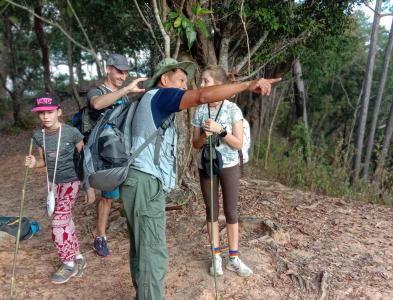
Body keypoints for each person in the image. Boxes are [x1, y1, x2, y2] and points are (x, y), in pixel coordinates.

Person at [120, 57, 280, 299]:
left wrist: (221, 131)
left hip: (137, 181)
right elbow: (203, 97)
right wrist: (248, 85)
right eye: (181, 80)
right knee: (153, 252)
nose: (186, 86)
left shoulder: (149, 100)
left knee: (142, 248)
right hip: (144, 182)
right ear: (164, 79)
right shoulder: (161, 96)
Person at [192, 65, 252, 277]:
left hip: (228, 165)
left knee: (231, 211)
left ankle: (234, 258)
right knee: (211, 211)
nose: (201, 85)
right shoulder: (200, 109)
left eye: (205, 81)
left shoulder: (232, 109)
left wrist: (221, 131)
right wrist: (204, 136)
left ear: (218, 85)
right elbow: (195, 144)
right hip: (206, 164)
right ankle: (215, 256)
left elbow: (237, 143)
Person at [86, 53, 146, 257]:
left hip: (123, 150)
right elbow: (97, 104)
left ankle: (133, 229)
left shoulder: (124, 94)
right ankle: (100, 236)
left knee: (128, 189)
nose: (123, 75)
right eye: (119, 71)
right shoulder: (97, 91)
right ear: (108, 69)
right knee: (108, 196)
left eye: (125, 72)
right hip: (105, 152)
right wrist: (126, 89)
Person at [25, 93, 86, 284]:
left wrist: (89, 187)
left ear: (58, 112)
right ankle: (77, 256)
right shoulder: (38, 136)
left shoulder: (71, 133)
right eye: (41, 113)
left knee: (58, 223)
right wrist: (34, 163)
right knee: (65, 219)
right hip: (53, 185)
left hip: (71, 182)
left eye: (50, 112)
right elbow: (44, 161)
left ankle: (68, 264)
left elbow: (85, 160)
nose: (46, 116)